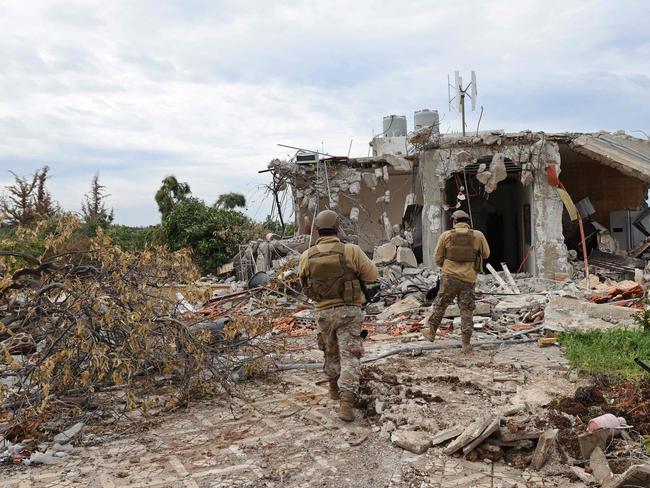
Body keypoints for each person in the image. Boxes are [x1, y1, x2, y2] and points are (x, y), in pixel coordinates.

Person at [299, 210, 378, 421]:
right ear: (337, 228)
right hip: (350, 311)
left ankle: (334, 388)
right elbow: (372, 275)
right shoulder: (351, 251)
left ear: (317, 230)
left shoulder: (307, 255)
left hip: (323, 312)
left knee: (330, 351)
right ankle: (346, 402)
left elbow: (303, 284)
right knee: (350, 355)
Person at [425, 209, 490, 353]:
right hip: (468, 279)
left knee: (441, 305)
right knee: (466, 310)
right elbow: (486, 254)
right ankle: (466, 344)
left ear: (454, 222)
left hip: (449, 278)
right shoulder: (478, 235)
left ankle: (431, 333)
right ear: (467, 222)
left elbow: (437, 259)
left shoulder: (445, 236)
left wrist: (449, 267)